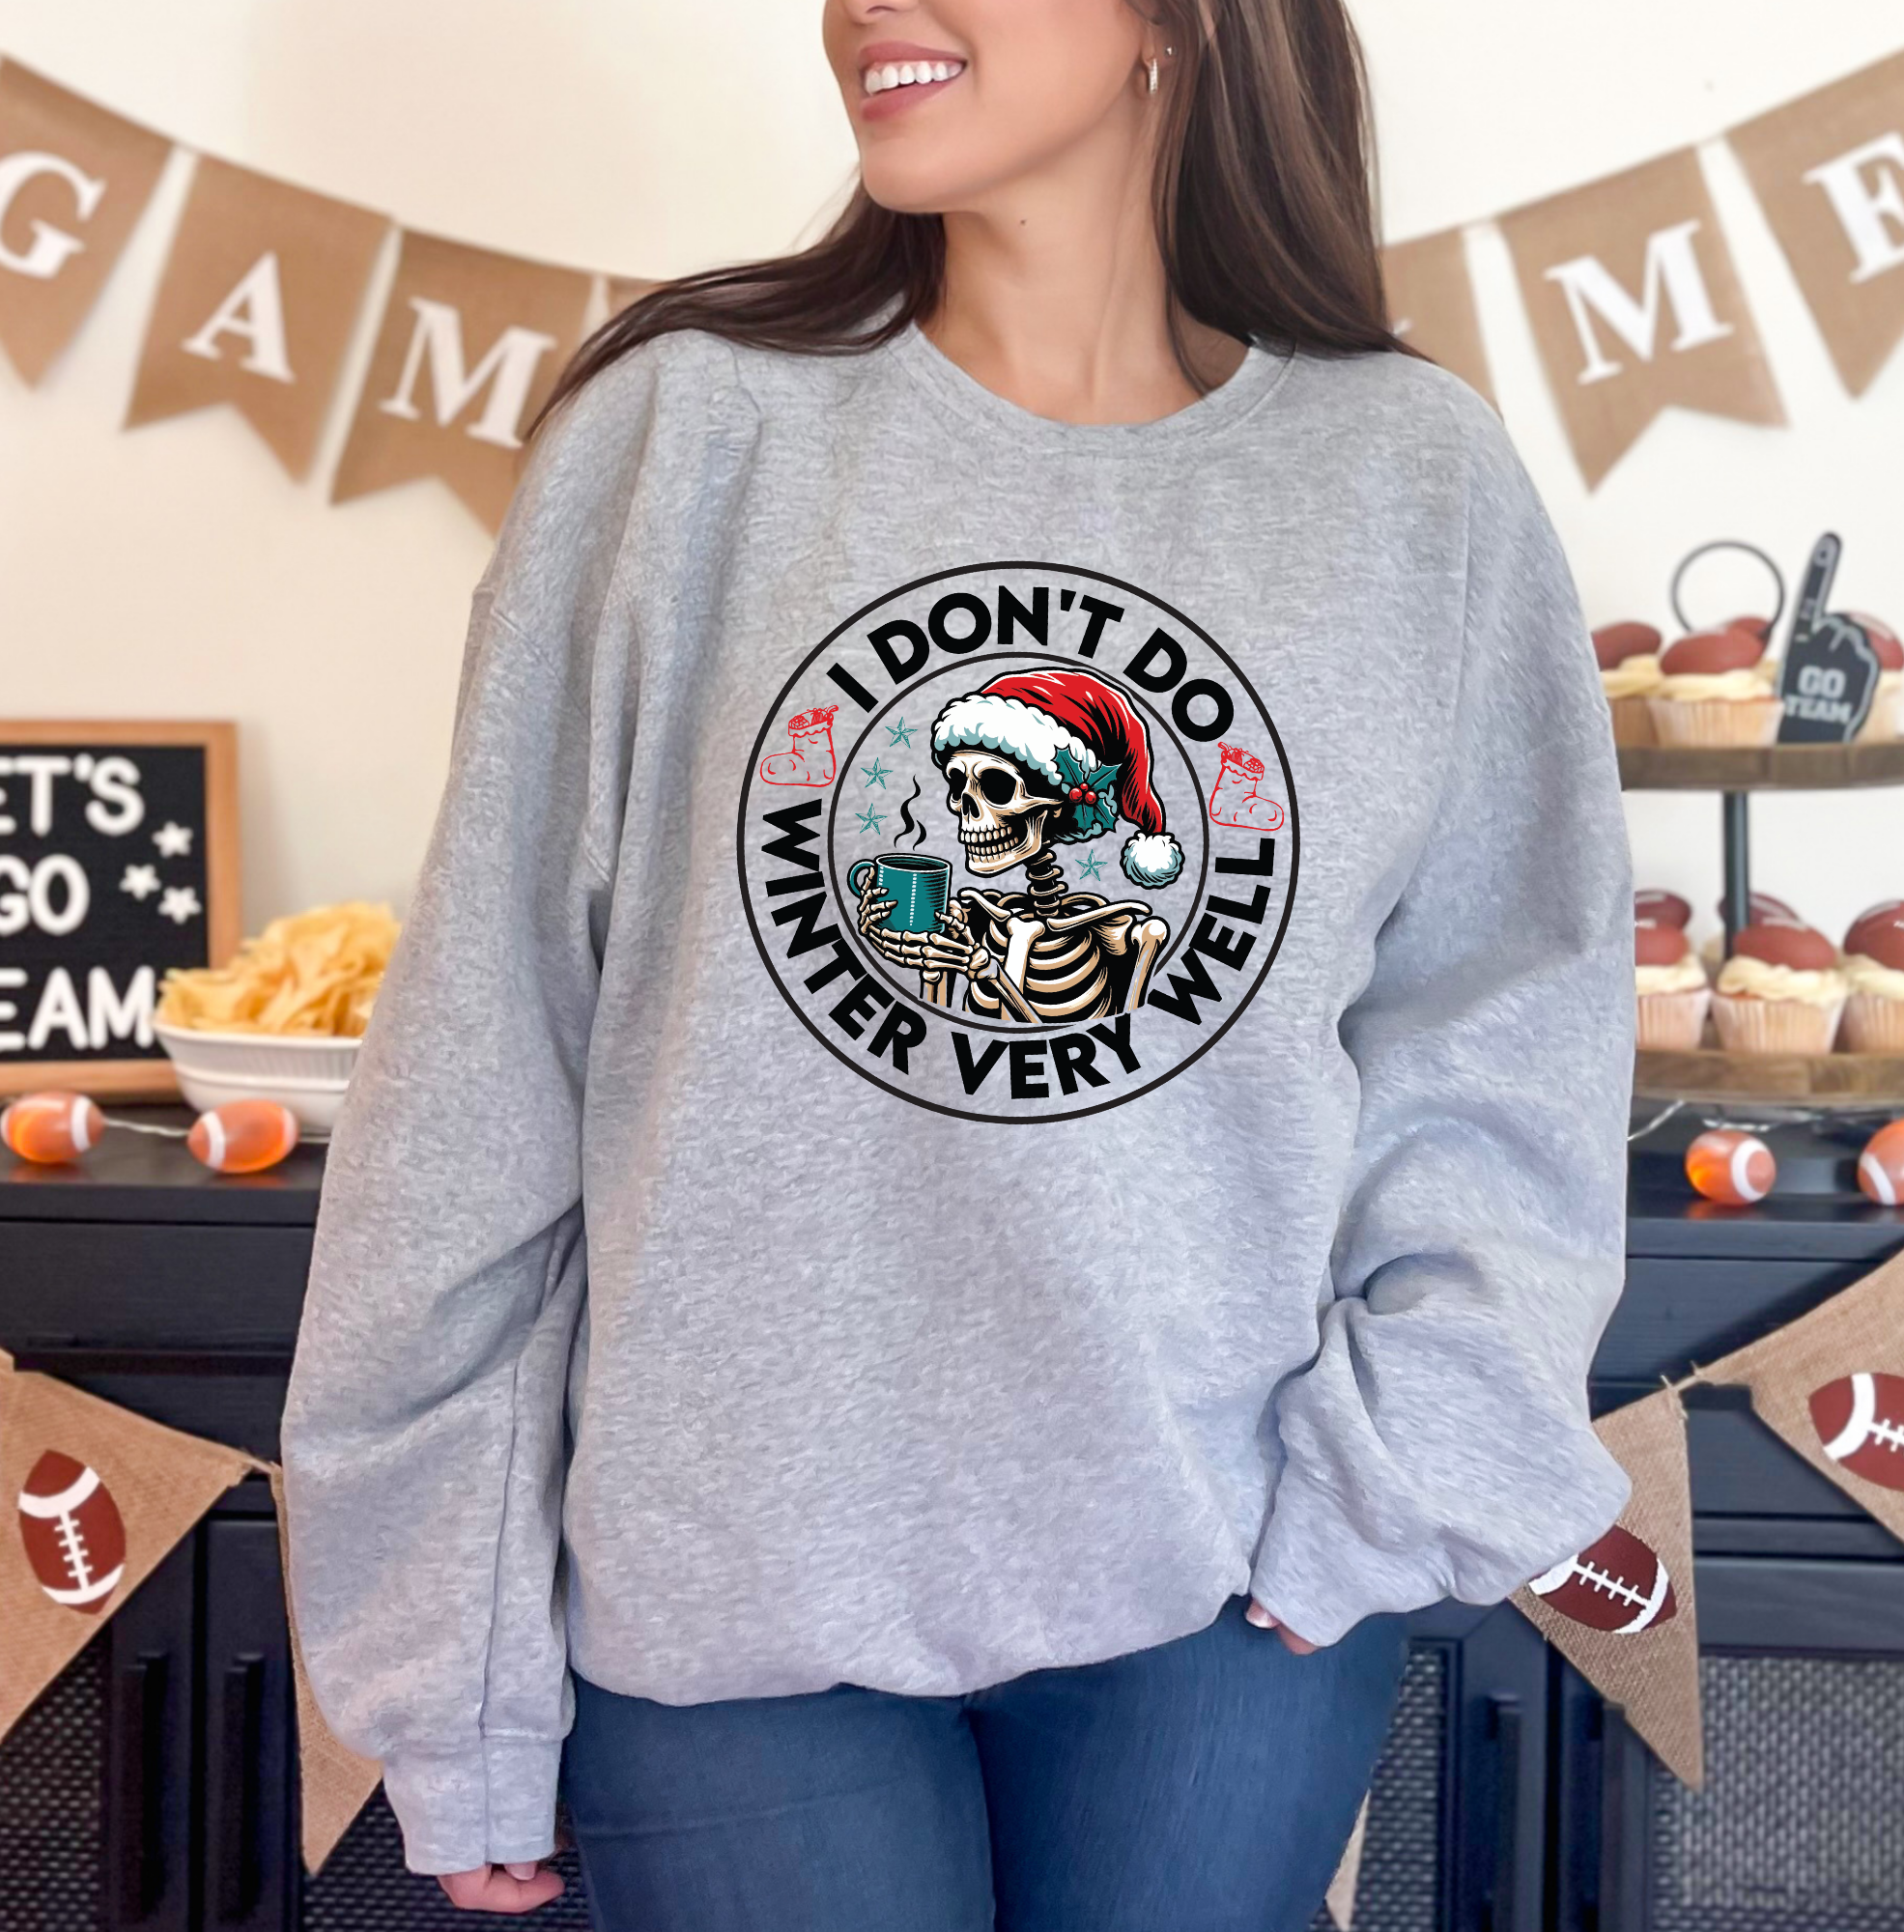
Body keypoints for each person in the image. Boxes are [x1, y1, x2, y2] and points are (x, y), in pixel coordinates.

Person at [280, 0, 1637, 1925]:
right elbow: (486, 1070)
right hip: (729, 1587)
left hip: (1220, 1583)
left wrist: (1400, 1471)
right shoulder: (685, 434)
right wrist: (453, 1669)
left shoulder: (1410, 484)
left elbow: (1501, 1038)